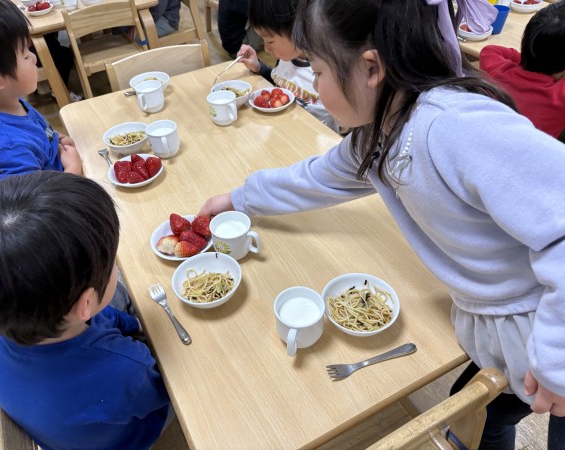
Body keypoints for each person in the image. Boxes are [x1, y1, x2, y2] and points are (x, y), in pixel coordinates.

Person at [199, 0, 565, 448]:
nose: (315, 85)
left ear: (371, 68)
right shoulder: (381, 131)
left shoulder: (452, 125)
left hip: (549, 322)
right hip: (505, 327)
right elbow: (314, 178)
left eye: (318, 71)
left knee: (496, 413)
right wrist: (237, 198)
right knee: (482, 413)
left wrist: (556, 360)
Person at [0, 171, 173, 449]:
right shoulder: (124, 370)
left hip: (66, 418)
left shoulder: (4, 323)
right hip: (133, 435)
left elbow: (99, 316)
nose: (113, 265)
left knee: (117, 298)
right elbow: (165, 390)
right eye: (111, 263)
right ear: (85, 305)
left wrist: (131, 325)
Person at [0, 0, 82, 186]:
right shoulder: (9, 152)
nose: (34, 58)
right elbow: (41, 203)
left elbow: (33, 132)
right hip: (60, 194)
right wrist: (73, 169)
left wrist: (53, 142)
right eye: (26, 55)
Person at [235, 0, 339, 133]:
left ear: (298, 29)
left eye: (270, 41)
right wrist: (258, 67)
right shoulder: (287, 57)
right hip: (282, 131)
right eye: (263, 40)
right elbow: (281, 82)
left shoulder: (326, 70)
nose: (266, 49)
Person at [479, 0, 565, 141]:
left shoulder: (498, 70)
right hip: (531, 153)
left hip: (484, 141)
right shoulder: (560, 95)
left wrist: (529, 59)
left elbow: (490, 50)